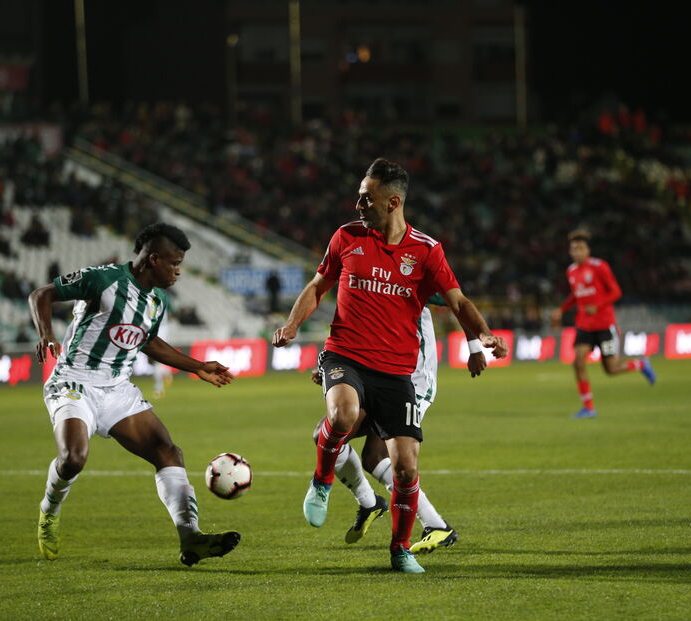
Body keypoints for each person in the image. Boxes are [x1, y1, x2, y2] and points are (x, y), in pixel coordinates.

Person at [273, 158, 508, 574]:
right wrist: (292, 325)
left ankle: (400, 549)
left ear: (393, 202)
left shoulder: (426, 251)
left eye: (367, 198)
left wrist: (483, 336)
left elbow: (458, 301)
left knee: (405, 466)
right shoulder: (346, 237)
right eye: (359, 196)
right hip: (347, 355)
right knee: (341, 415)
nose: (358, 204)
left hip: (398, 372)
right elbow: (318, 286)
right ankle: (323, 481)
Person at [28, 222, 240, 566]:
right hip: (73, 381)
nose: (178, 272)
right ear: (153, 259)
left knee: (168, 452)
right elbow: (41, 295)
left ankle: (191, 538)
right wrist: (45, 333)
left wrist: (196, 366)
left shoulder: (157, 301)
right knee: (74, 458)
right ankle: (48, 512)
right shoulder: (103, 279)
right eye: (174, 264)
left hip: (117, 389)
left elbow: (149, 342)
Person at [310, 299, 486, 554]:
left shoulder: (412, 267)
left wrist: (474, 347)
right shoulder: (369, 278)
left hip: (414, 380)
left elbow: (457, 301)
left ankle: (431, 524)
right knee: (345, 444)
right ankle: (377, 506)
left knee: (369, 452)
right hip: (379, 373)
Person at [550, 229, 656, 419]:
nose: (577, 252)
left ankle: (640, 364)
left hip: (605, 325)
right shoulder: (571, 271)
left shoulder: (600, 267)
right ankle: (588, 407)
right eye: (574, 249)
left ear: (588, 250)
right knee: (578, 361)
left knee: (611, 369)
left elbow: (616, 292)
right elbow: (576, 294)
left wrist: (597, 306)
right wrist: (562, 309)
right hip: (584, 325)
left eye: (581, 248)